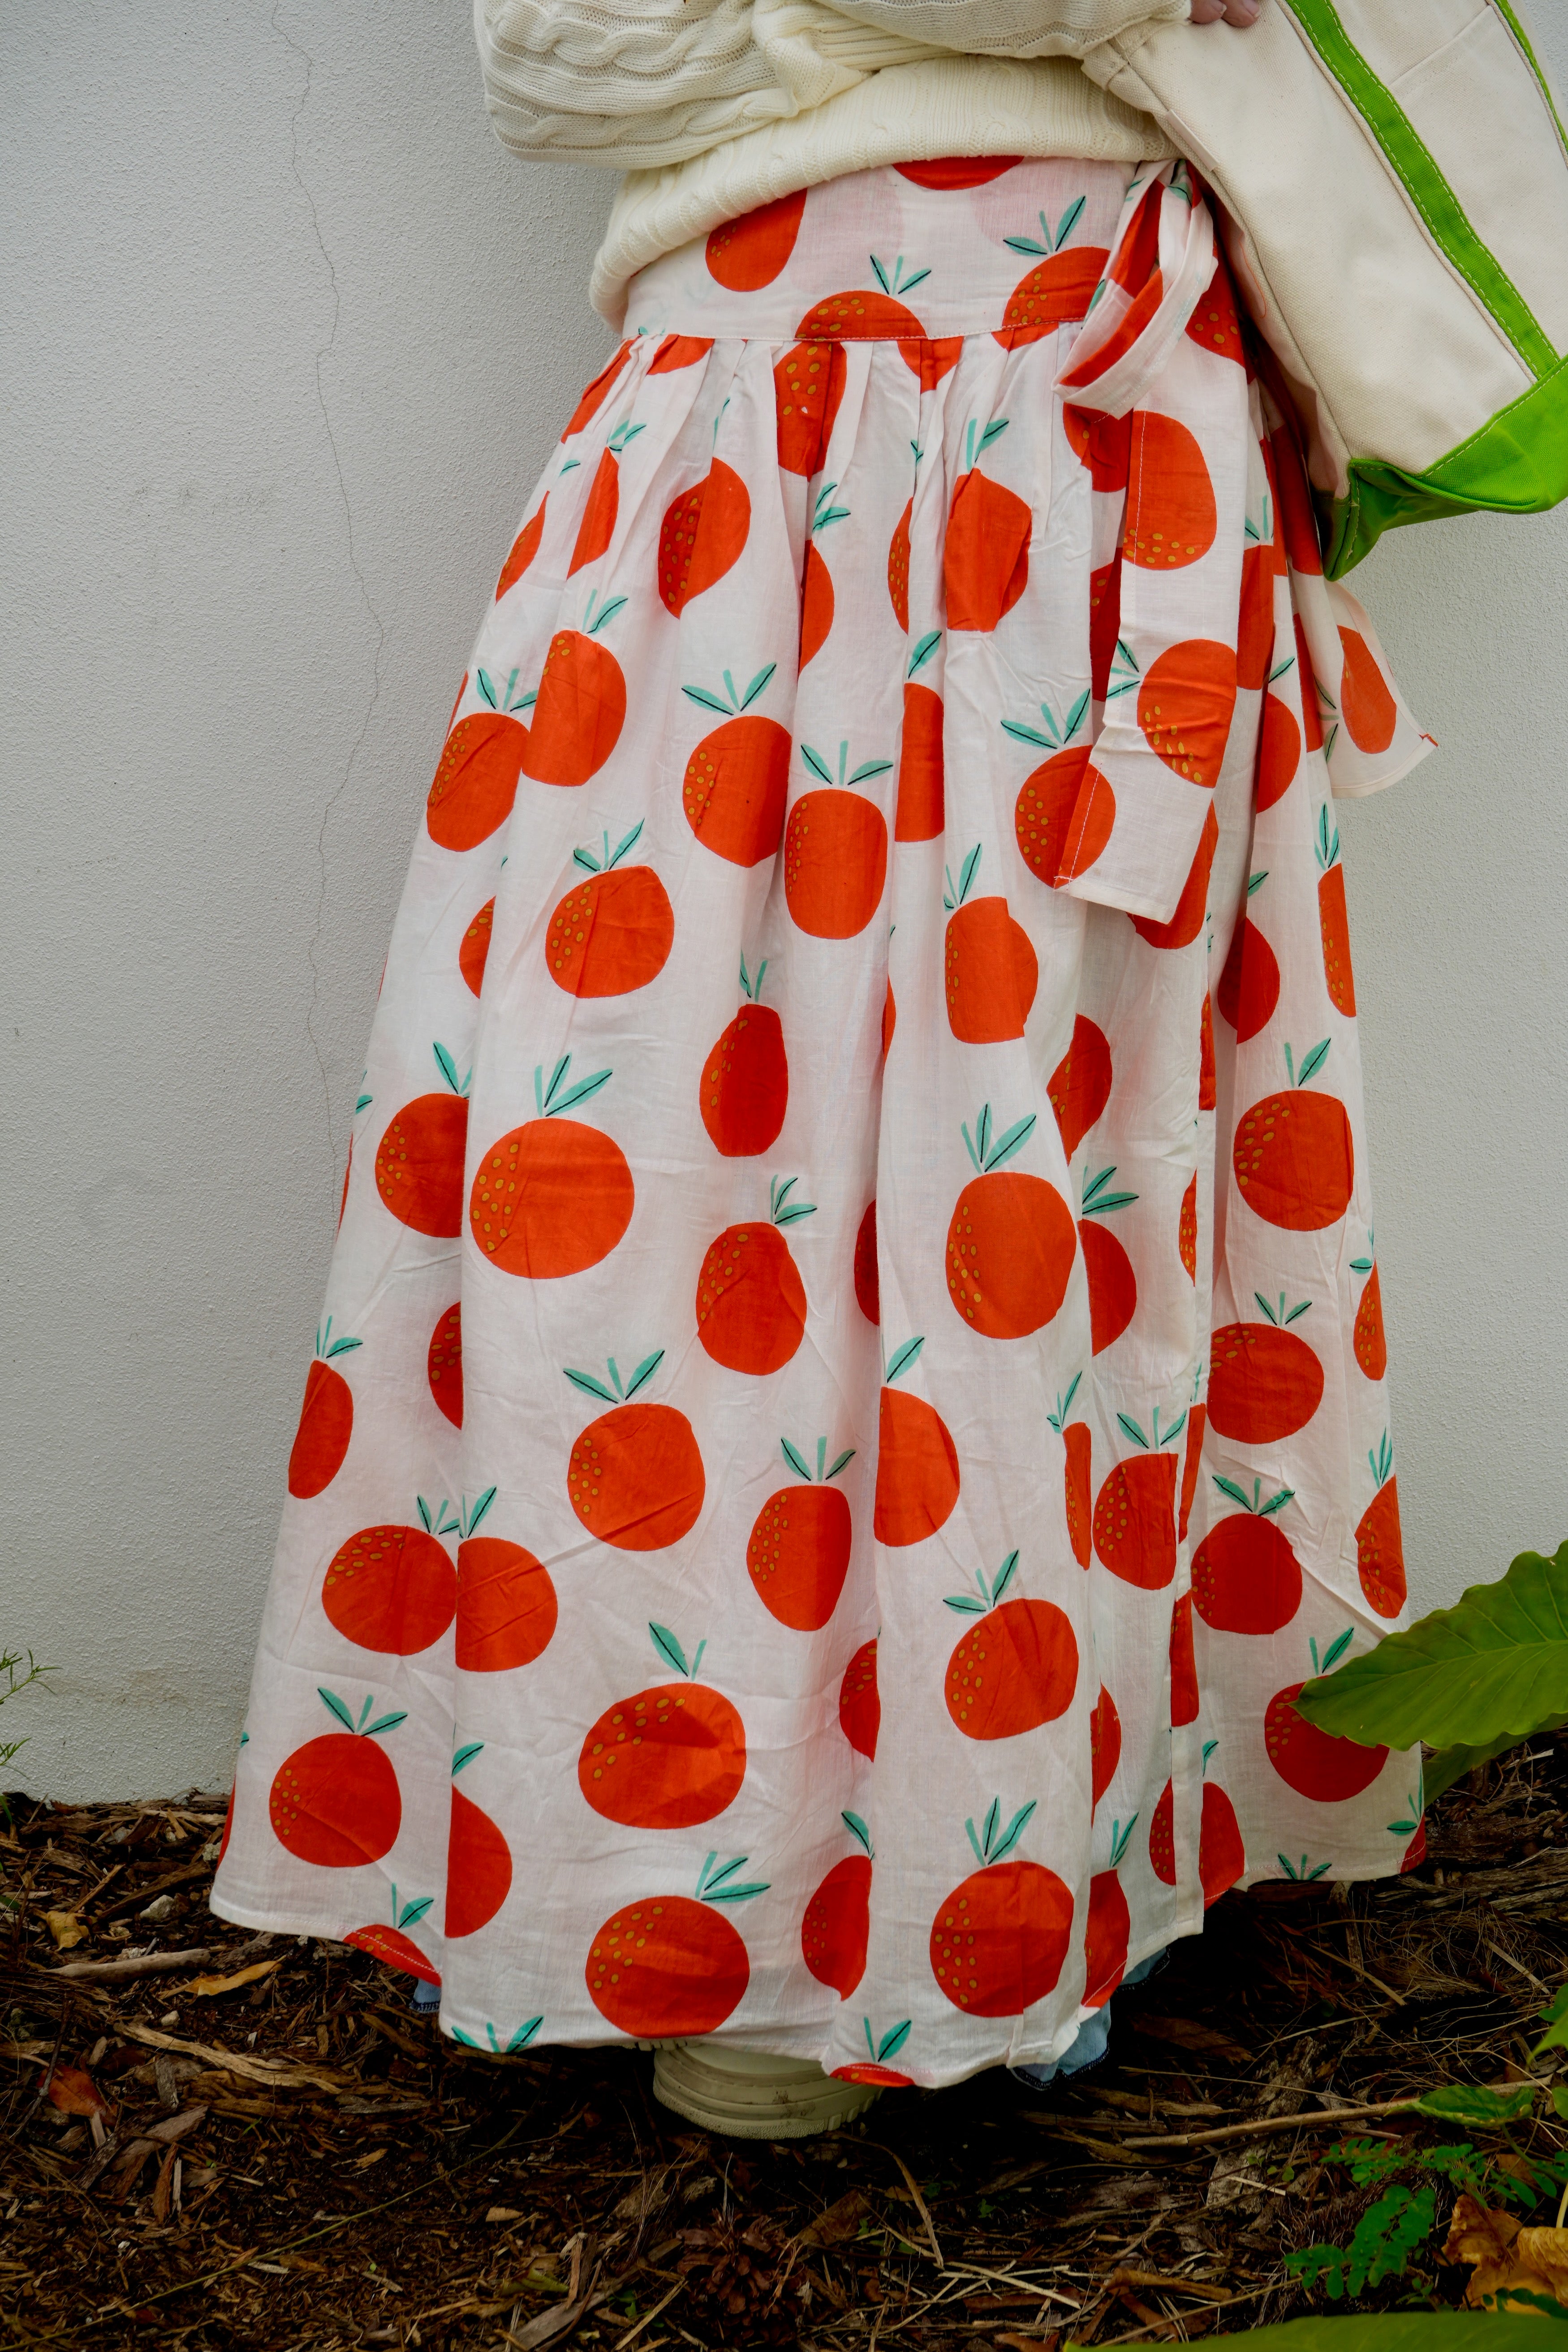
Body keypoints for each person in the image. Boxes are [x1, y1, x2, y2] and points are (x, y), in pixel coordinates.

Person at [212, 0, 1431, 2139]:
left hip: (1102, 451)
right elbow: (561, 55)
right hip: (762, 459)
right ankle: (715, 1925)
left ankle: (1018, 1867)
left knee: (1069, 1181)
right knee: (672, 1178)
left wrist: (806, 21)